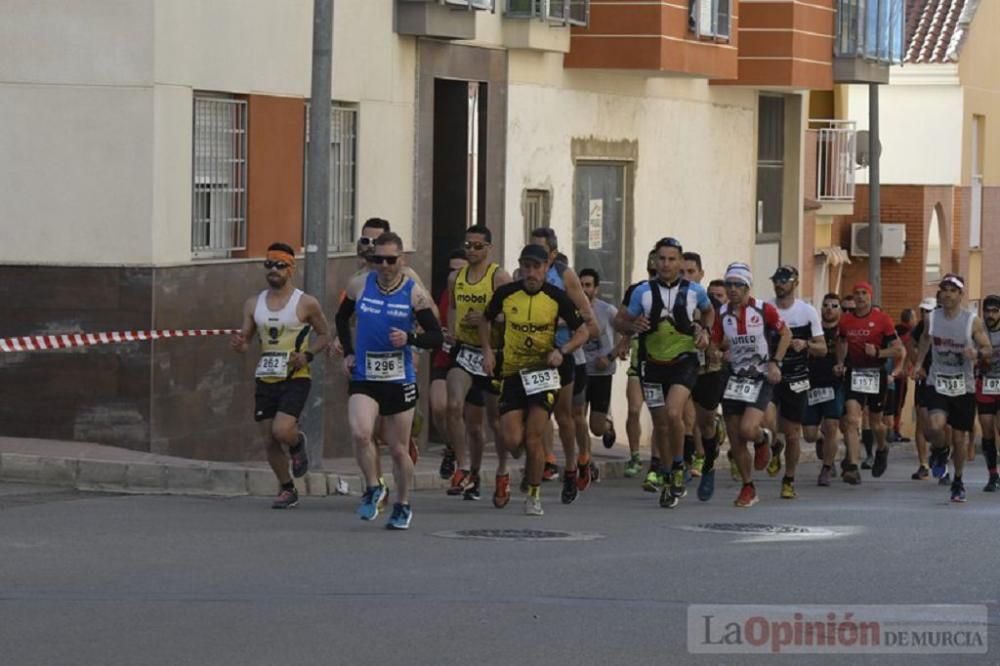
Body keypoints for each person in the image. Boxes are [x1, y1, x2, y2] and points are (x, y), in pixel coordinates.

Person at [336, 232, 443, 530]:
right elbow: (341, 318)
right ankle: (374, 486)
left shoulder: (413, 293)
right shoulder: (359, 284)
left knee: (398, 449)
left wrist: (409, 338)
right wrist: (348, 352)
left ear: (402, 260)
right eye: (377, 259)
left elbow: (435, 336)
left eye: (390, 260)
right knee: (361, 433)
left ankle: (403, 503)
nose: (383, 265)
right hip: (365, 374)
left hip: (399, 377)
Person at [480, 244, 589, 516]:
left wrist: (562, 351)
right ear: (520, 267)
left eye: (536, 267)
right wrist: (487, 351)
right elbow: (485, 319)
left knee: (533, 437)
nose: (531, 273)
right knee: (511, 439)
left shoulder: (557, 296)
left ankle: (533, 493)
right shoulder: (506, 293)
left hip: (543, 375)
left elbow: (583, 331)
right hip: (513, 373)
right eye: (526, 267)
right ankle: (530, 462)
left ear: (545, 269)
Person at [616, 237, 714, 509]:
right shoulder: (641, 292)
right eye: (661, 259)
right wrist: (632, 325)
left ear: (681, 262)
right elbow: (619, 321)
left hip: (684, 361)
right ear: (654, 261)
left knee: (674, 412)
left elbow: (708, 312)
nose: (666, 264)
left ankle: (680, 465)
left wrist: (704, 331)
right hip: (652, 364)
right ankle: (669, 473)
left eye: (672, 259)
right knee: (661, 424)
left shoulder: (695, 291)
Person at [231, 243, 331, 509]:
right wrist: (240, 344)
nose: (273, 270)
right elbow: (246, 339)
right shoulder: (253, 303)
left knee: (282, 430)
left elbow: (324, 334)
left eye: (279, 265)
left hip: (296, 375)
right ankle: (287, 488)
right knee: (268, 439)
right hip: (266, 376)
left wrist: (307, 355)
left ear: (291, 268)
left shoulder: (306, 303)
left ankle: (297, 443)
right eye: (269, 265)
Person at [529, 228, 599, 504]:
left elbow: (587, 320)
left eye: (540, 251)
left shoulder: (565, 275)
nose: (533, 258)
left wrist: (558, 325)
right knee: (534, 416)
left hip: (564, 353)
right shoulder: (522, 273)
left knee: (567, 415)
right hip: (531, 356)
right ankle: (541, 464)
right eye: (530, 249)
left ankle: (575, 463)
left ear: (553, 254)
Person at [712, 262, 791, 508]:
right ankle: (748, 487)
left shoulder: (763, 309)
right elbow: (716, 341)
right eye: (729, 284)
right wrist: (715, 350)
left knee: (748, 429)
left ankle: (761, 438)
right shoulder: (722, 314)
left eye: (738, 285)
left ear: (748, 287)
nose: (733, 289)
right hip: (734, 378)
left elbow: (786, 334)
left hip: (759, 376)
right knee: (735, 439)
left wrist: (775, 362)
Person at [445, 225, 513, 505]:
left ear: (489, 248)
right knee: (454, 407)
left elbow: (512, 315)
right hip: (464, 352)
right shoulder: (455, 277)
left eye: (477, 246)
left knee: (494, 421)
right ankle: (463, 466)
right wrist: (452, 331)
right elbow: (450, 306)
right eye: (467, 245)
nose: (471, 251)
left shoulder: (499, 277)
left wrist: (487, 319)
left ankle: (502, 470)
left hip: (493, 354)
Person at [913, 274, 992, 503]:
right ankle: (939, 451)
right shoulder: (932, 318)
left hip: (963, 386)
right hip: (938, 380)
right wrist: (918, 364)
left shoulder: (971, 321)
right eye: (944, 289)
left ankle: (958, 480)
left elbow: (986, 348)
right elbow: (925, 341)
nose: (947, 294)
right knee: (935, 426)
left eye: (952, 290)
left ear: (960, 295)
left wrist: (976, 353)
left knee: (959, 438)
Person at [763, 265, 826, 500]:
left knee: (792, 433)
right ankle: (773, 443)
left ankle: (788, 479)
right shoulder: (766, 308)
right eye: (776, 280)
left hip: (797, 376)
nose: (779, 284)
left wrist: (806, 344)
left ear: (795, 283)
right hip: (770, 372)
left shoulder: (807, 312)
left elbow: (822, 347)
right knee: (767, 419)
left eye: (784, 280)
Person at [834, 282, 903, 484]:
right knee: (852, 420)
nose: (861, 297)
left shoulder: (882, 320)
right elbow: (841, 342)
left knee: (876, 423)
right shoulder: (846, 321)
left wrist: (879, 352)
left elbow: (898, 349)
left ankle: (882, 448)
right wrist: (840, 362)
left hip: (876, 374)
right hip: (855, 373)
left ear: (870, 297)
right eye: (857, 294)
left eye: (864, 293)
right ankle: (853, 466)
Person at [682, 254, 727, 501]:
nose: (687, 277)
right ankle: (681, 465)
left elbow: (727, 340)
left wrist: (714, 345)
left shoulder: (714, 307)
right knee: (678, 416)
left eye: (691, 272)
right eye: (683, 272)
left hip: (708, 370)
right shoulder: (672, 301)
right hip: (679, 367)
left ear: (701, 274)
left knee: (705, 423)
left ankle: (708, 465)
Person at [432, 249, 469, 480]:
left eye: (460, 269)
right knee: (438, 406)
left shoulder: (475, 293)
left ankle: (464, 464)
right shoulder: (443, 293)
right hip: (444, 356)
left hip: (467, 358)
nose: (454, 274)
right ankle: (451, 446)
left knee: (457, 408)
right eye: (451, 269)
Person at [622, 252, 658, 481]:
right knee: (634, 409)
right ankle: (634, 455)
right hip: (638, 360)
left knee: (659, 415)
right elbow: (624, 320)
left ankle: (656, 462)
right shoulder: (638, 291)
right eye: (652, 271)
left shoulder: (677, 293)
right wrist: (624, 341)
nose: (656, 274)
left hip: (663, 362)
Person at [804, 293, 846, 486]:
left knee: (831, 425)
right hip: (811, 384)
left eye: (834, 306)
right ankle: (822, 439)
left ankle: (827, 468)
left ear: (839, 310)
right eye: (826, 305)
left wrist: (843, 366)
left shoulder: (843, 331)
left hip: (834, 384)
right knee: (809, 435)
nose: (829, 308)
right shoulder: (813, 328)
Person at [579, 268, 620, 454]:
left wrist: (611, 356)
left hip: (602, 372)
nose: (584, 289)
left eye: (588, 285)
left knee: (596, 427)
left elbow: (627, 334)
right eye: (580, 285)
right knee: (577, 418)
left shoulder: (608, 310)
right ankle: (585, 461)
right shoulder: (570, 309)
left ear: (596, 289)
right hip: (579, 370)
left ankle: (607, 426)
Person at [906, 297, 939, 480]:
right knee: (921, 421)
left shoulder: (944, 326)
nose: (926, 315)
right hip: (924, 380)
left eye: (929, 311)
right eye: (923, 311)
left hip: (942, 379)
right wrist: (918, 365)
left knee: (940, 424)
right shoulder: (919, 327)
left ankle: (940, 450)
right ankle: (923, 464)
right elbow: (909, 344)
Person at [976, 294, 1000, 492]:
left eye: (994, 311)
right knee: (987, 429)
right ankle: (993, 475)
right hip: (984, 384)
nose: (990, 315)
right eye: (987, 311)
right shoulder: (978, 331)